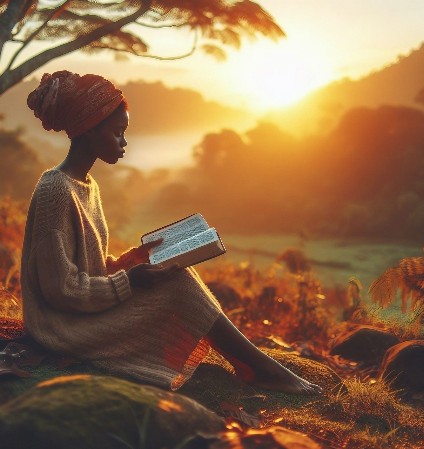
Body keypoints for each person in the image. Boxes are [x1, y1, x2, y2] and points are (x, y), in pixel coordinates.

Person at [21, 70, 321, 394]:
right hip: (63, 328)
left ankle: (256, 366)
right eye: (117, 132)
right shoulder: (55, 190)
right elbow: (61, 289)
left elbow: (87, 268)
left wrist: (127, 263)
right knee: (178, 285)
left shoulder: (87, 186)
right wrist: (129, 280)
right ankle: (261, 368)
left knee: (175, 273)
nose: (124, 143)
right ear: (90, 129)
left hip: (84, 312)